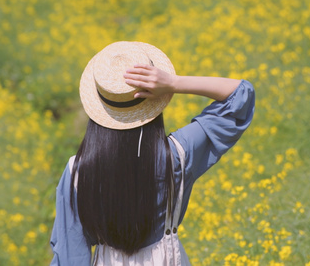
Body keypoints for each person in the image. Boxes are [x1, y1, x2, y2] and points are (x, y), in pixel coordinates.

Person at [49, 41, 255, 265]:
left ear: (99, 108)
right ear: (155, 103)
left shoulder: (77, 172)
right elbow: (241, 95)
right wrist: (174, 83)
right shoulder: (177, 155)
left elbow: (70, 256)